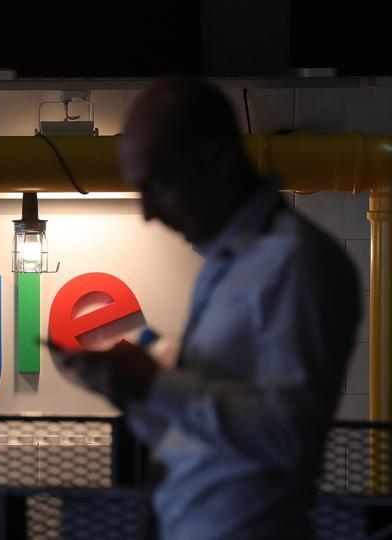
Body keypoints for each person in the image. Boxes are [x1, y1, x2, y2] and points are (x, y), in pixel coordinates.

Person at [51, 77, 361, 540]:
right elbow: (209, 442)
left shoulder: (296, 264)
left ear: (214, 160)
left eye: (158, 184)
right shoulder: (226, 264)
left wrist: (156, 384)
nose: (147, 212)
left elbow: (292, 439)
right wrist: (137, 396)